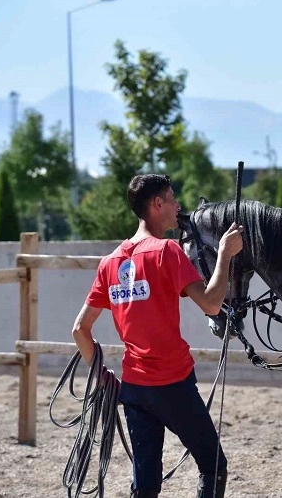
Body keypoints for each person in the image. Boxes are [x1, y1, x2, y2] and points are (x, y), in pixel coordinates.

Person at [71, 174, 244, 498]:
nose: (178, 205)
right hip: (173, 385)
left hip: (134, 389)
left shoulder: (110, 263)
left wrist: (102, 376)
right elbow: (210, 304)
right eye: (173, 198)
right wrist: (224, 254)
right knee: (213, 465)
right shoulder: (166, 251)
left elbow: (80, 329)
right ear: (157, 204)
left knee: (146, 486)